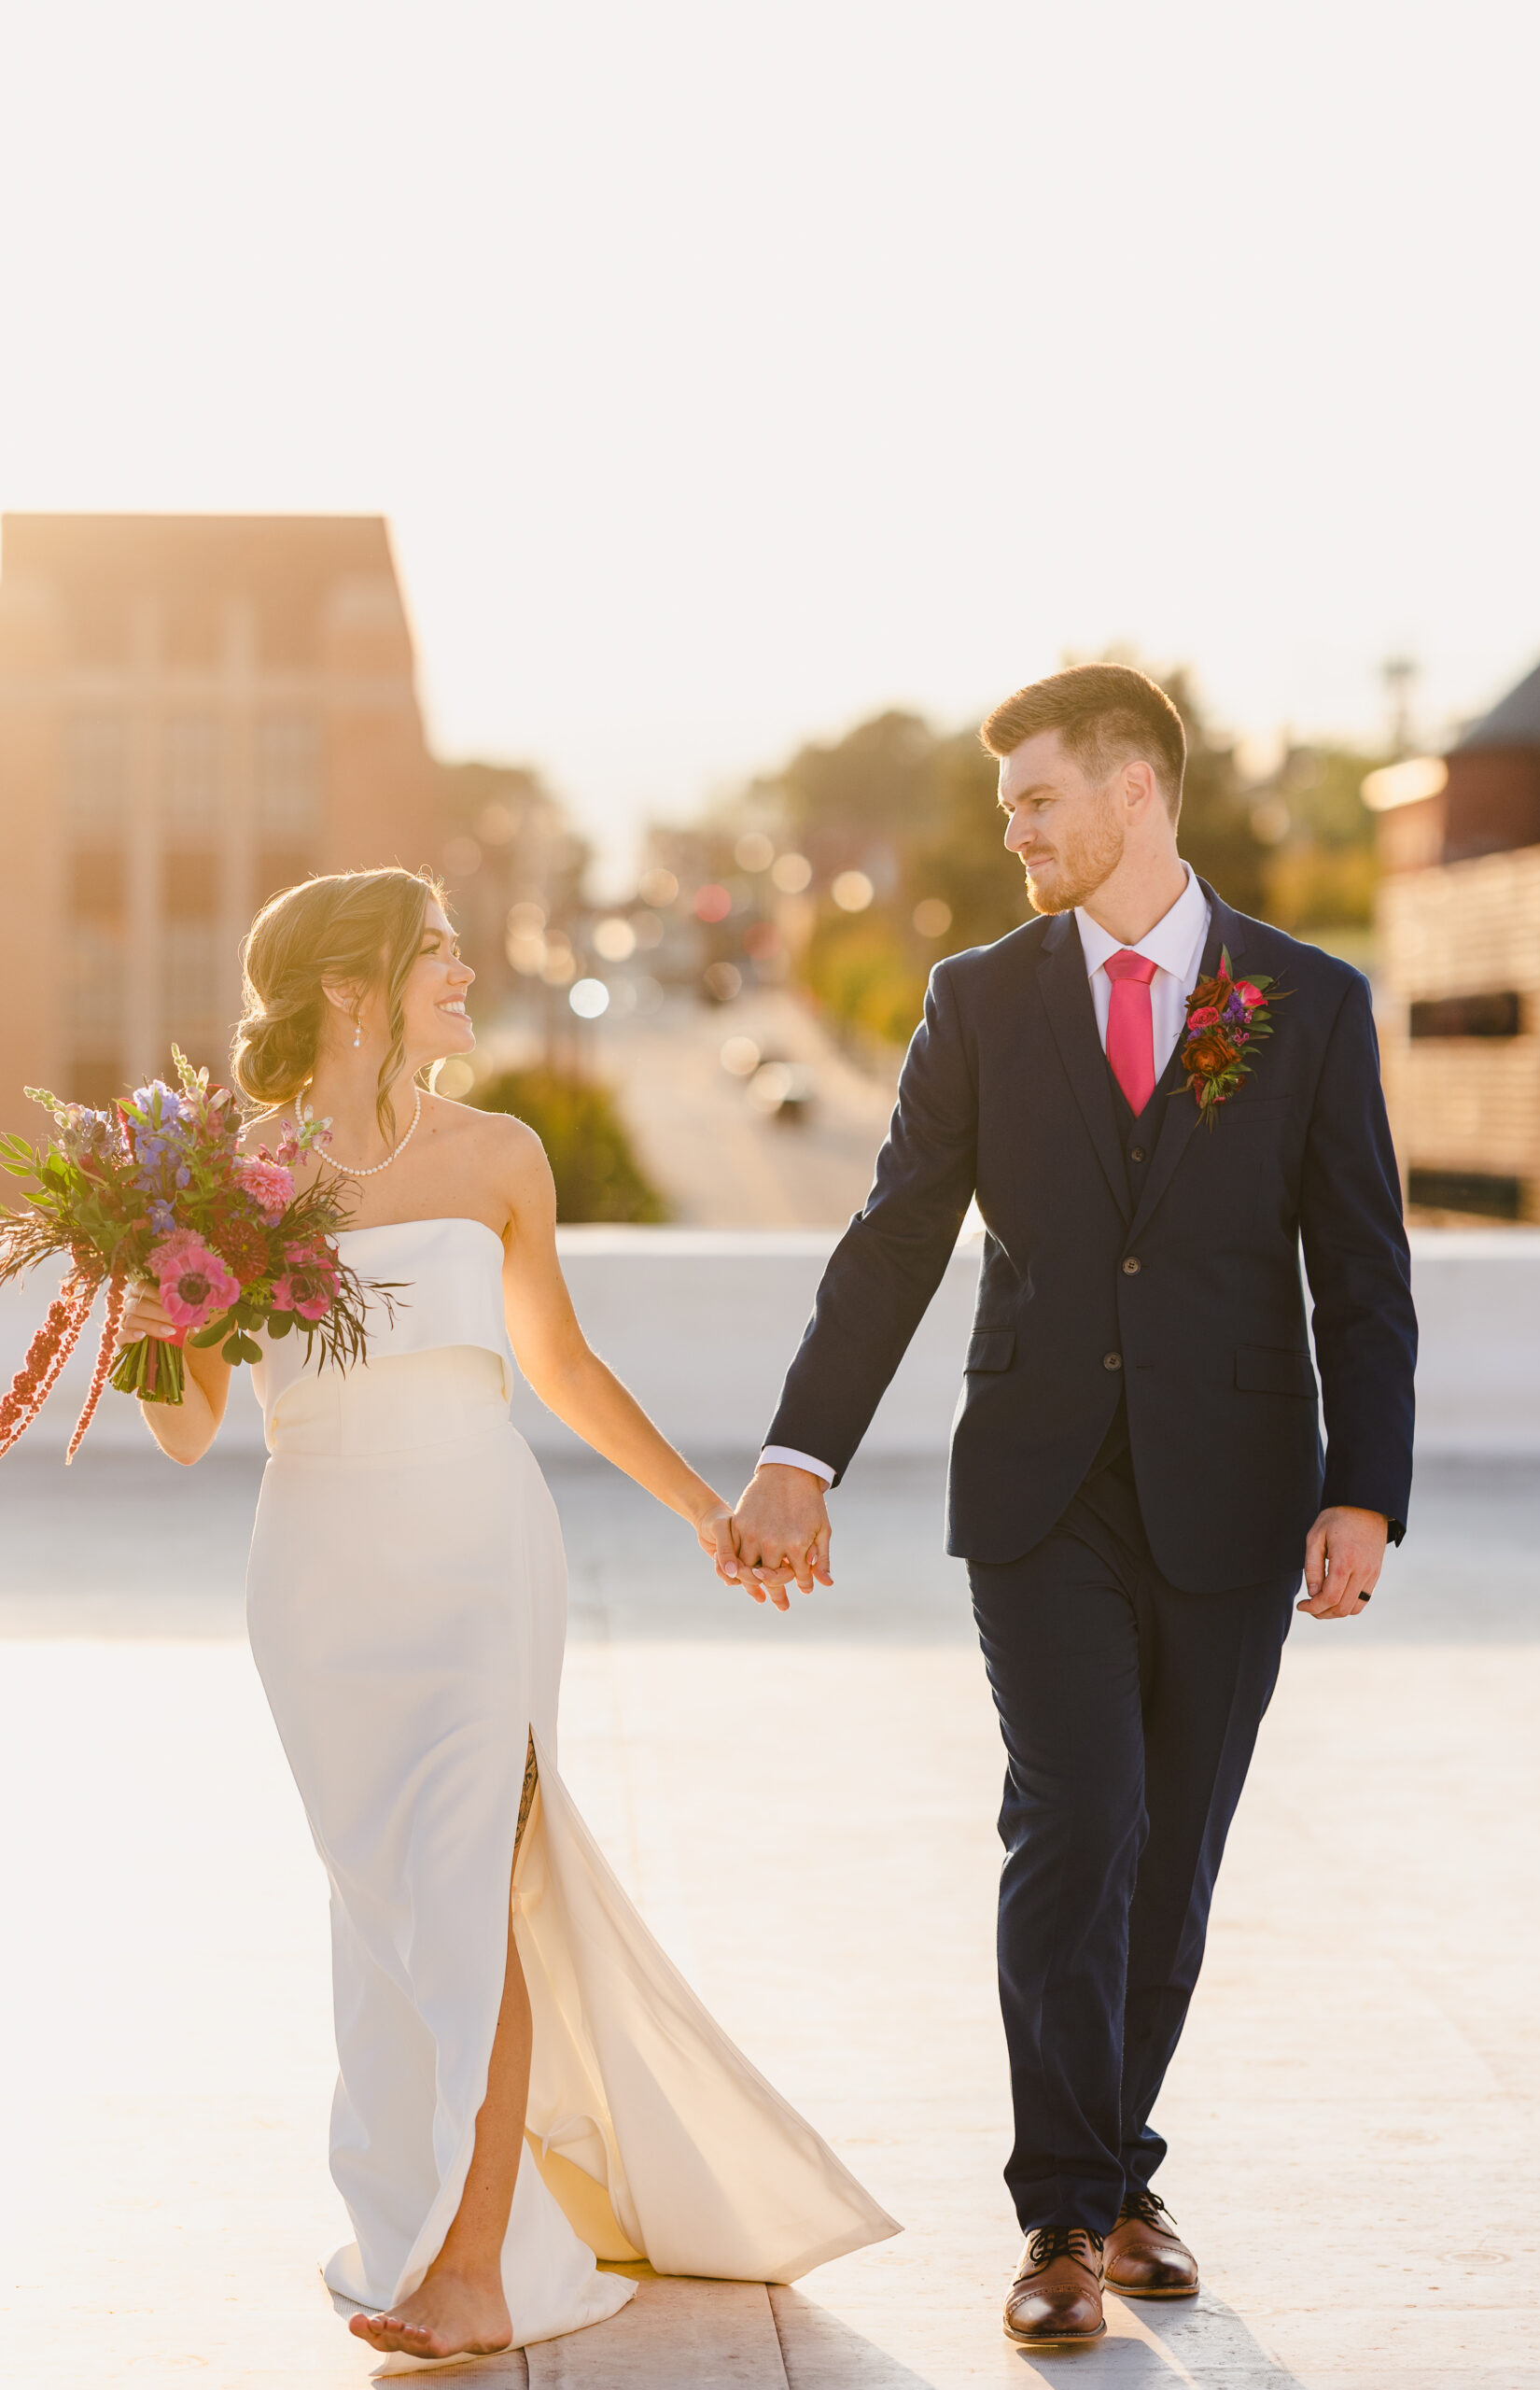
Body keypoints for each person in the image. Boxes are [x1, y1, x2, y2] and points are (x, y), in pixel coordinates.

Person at [120, 866, 897, 2369]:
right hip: (320, 1570)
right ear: (354, 989)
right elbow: (182, 1423)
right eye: (440, 954)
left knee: (478, 1880)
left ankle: (474, 2266)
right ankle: (436, 2219)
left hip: (481, 1551)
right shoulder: (229, 1170)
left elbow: (566, 1367)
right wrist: (157, 1326)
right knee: (387, 1904)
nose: (469, 972)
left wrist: (703, 1512)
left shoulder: (501, 1158)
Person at [730, 664, 1417, 2350]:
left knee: (1173, 1855)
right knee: (1080, 1817)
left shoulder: (1305, 1001)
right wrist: (798, 1455)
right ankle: (1059, 2218)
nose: (1014, 830)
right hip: (1039, 1491)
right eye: (1007, 806)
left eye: (1035, 799)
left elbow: (1363, 1271)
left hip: (1240, 1492)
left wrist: (1365, 1493)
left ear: (1133, 794)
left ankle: (1123, 2184)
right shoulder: (978, 1000)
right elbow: (899, 1236)